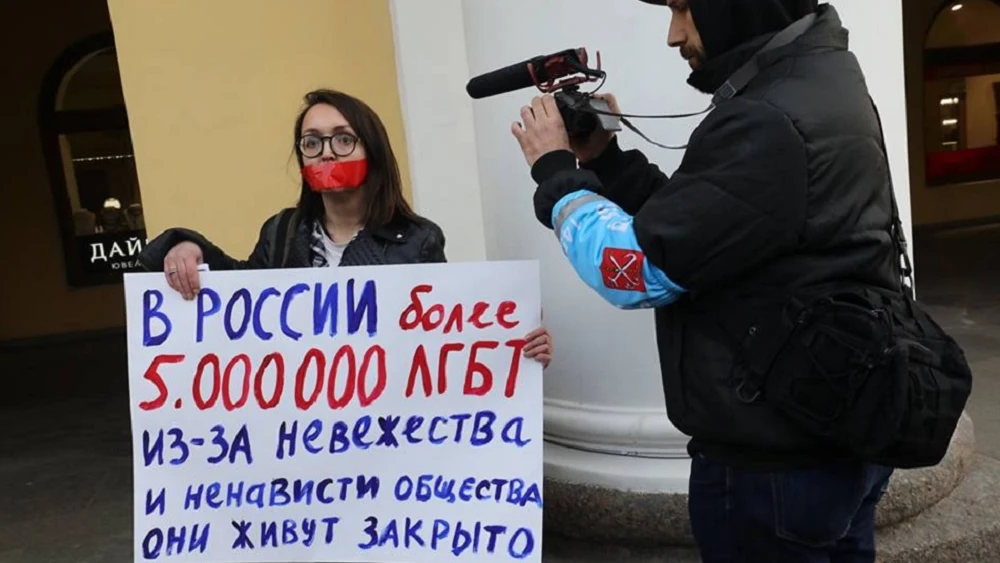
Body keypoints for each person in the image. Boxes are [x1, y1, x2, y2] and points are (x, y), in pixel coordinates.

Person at [510, 1, 900, 561]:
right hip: (830, 431)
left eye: (685, 8)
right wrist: (608, 161)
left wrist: (556, 176)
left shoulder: (769, 117)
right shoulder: (818, 80)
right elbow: (710, 228)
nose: (674, 35)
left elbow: (634, 271)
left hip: (773, 463)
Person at [139, 88, 553, 367]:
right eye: (311, 142)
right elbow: (244, 300)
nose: (326, 153)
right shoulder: (281, 232)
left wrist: (514, 345)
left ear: (371, 150)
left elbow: (447, 338)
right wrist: (187, 246)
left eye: (342, 139)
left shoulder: (418, 239)